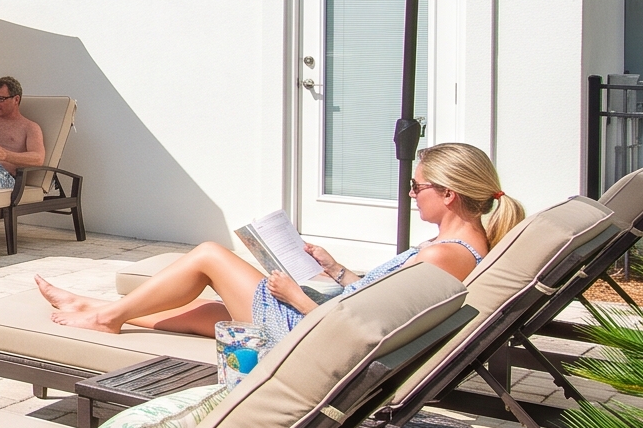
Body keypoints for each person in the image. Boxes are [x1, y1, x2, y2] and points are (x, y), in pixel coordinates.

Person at [37, 142, 526, 339]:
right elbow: (386, 299)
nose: (413, 194)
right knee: (214, 314)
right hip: (328, 311)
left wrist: (296, 295)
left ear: (449, 193)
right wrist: (336, 271)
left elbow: (375, 330)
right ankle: (96, 306)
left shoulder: (443, 255)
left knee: (209, 255)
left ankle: (105, 316)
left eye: (417, 187)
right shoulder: (465, 250)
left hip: (316, 331)